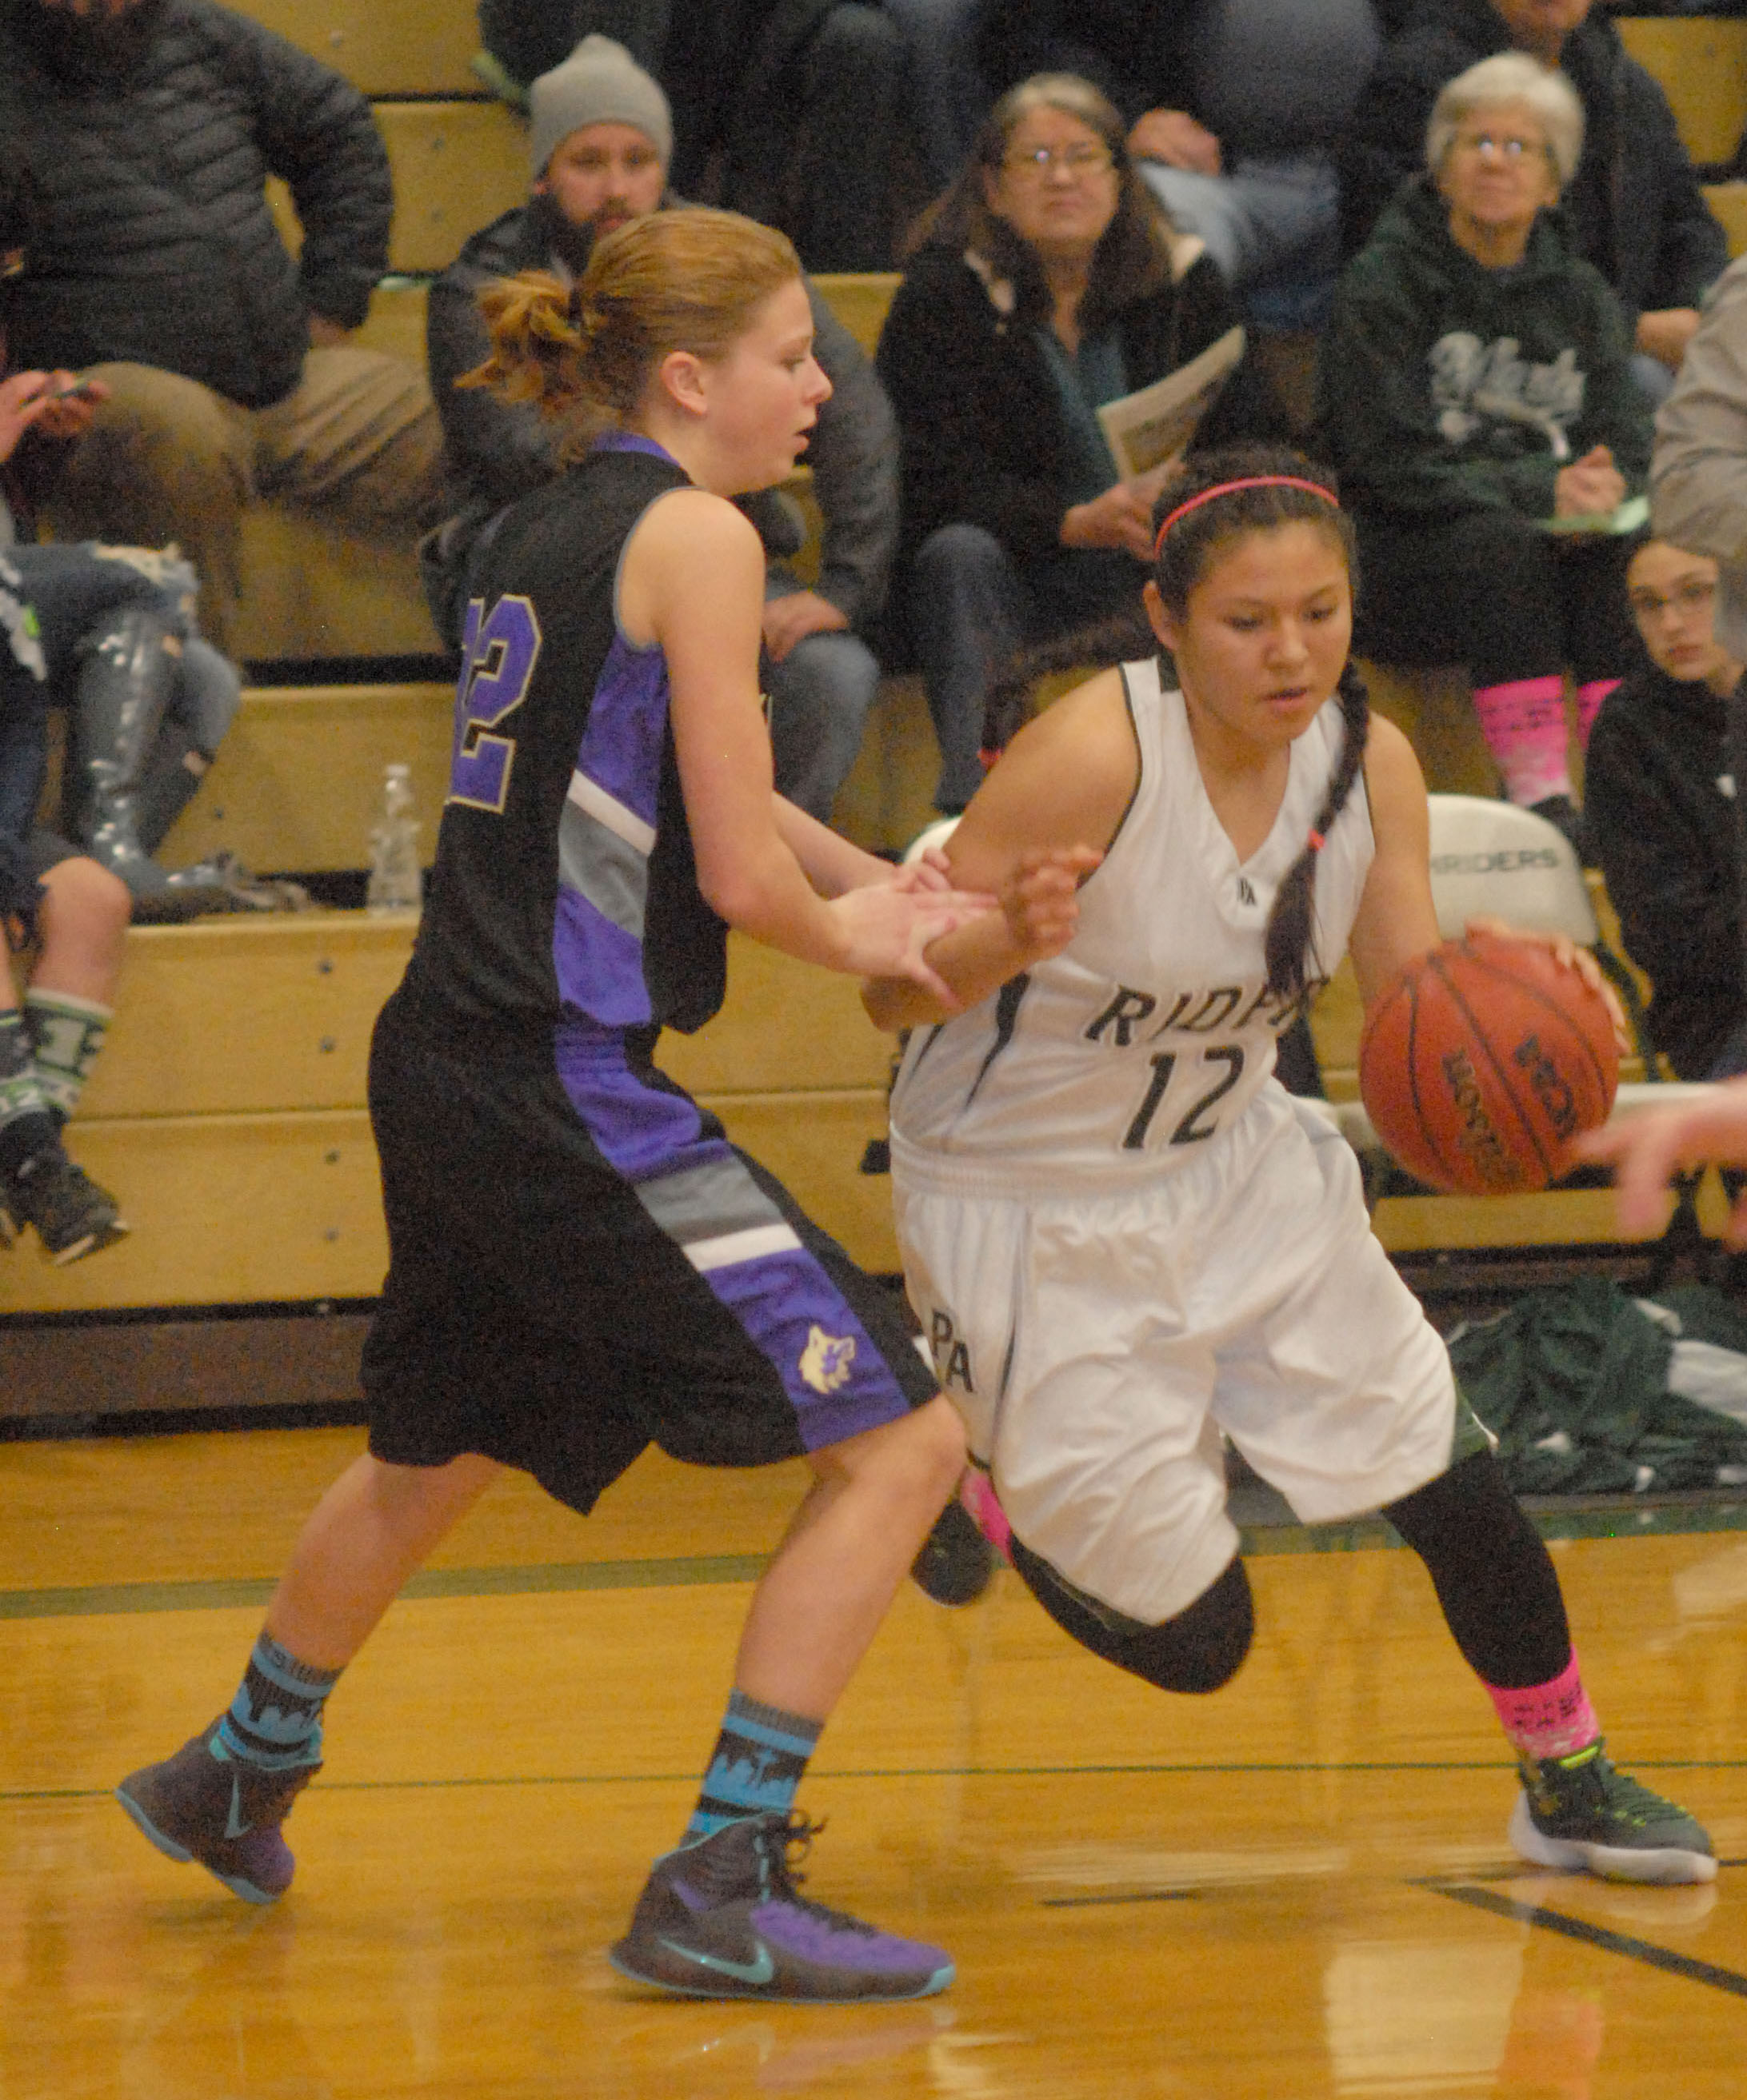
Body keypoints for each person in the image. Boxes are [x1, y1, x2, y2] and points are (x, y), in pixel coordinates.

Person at [114, 205, 996, 2003]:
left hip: (448, 1050)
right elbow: (744, 871)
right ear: (692, 376)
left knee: (440, 1443)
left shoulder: (548, 519)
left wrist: (896, 885)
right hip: (558, 1075)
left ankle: (237, 1768)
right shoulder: (701, 533)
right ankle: (723, 1874)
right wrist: (871, 942)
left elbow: (708, 798)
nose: (820, 387)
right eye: (789, 355)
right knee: (905, 1442)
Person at [864, 443, 1717, 1888]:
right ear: (1164, 622)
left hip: (1235, 1158)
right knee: (1202, 1647)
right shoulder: (1088, 755)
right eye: (1247, 621)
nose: (1291, 650)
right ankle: (974, 1475)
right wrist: (1001, 937)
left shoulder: (1365, 755)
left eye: (1319, 612)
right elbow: (890, 989)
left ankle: (1563, 1776)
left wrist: (1519, 1006)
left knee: (1449, 1470)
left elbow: (1402, 1000)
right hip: (1029, 1194)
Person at [427, 34, 897, 823]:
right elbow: (524, 455)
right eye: (589, 162)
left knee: (832, 674)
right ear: (543, 172)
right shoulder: (480, 285)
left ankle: (744, 878)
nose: (616, 188)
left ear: (666, 167)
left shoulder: (727, 265)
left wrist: (847, 582)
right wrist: (700, 511)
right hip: (535, 551)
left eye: (638, 161)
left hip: (705, 549)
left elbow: (855, 412)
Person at [876, 71, 1283, 813]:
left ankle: (1223, 804)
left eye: (1083, 156)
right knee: (958, 554)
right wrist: (1068, 521)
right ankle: (984, 803)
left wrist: (1187, 494)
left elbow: (1264, 441)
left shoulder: (1185, 285)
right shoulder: (943, 297)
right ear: (992, 189)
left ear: (1120, 179)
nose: (1060, 177)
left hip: (1147, 557)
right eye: (1034, 160)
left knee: (1244, 542)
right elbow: (929, 479)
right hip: (1015, 568)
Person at [3, 0, 448, 660]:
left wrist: (332, 300)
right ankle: (182, 713)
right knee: (179, 430)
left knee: (455, 422)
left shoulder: (202, 32)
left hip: (279, 380)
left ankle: (507, 689)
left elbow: (338, 129)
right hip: (98, 400)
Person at [1317, 54, 1650, 843]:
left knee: (1628, 546)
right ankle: (1543, 801)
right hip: (1405, 556)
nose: (1496, 160)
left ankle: (1622, 790)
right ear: (1442, 166)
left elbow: (1628, 444)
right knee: (1500, 544)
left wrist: (1605, 491)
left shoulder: (1583, 296)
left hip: (1544, 551)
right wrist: (1543, 492)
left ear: (1554, 180)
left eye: (1520, 147)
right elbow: (1384, 461)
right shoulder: (1383, 283)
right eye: (1477, 143)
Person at [1340, 0, 1727, 405]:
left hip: (1611, 347)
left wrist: (1705, 315)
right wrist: (1632, 331)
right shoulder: (1419, 83)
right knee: (1644, 385)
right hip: (1470, 374)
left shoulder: (1622, 83)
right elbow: (1422, 276)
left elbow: (1688, 226)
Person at [973, 0, 1382, 329]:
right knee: (1153, 268)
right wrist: (1120, 117)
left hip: (1364, 157)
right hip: (1183, 168)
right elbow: (1024, 32)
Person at [1584, 538, 1747, 1081]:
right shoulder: (1629, 733)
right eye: (1649, 604)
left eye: (1695, 595)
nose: (1673, 623)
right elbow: (1669, 933)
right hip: (1721, 1019)